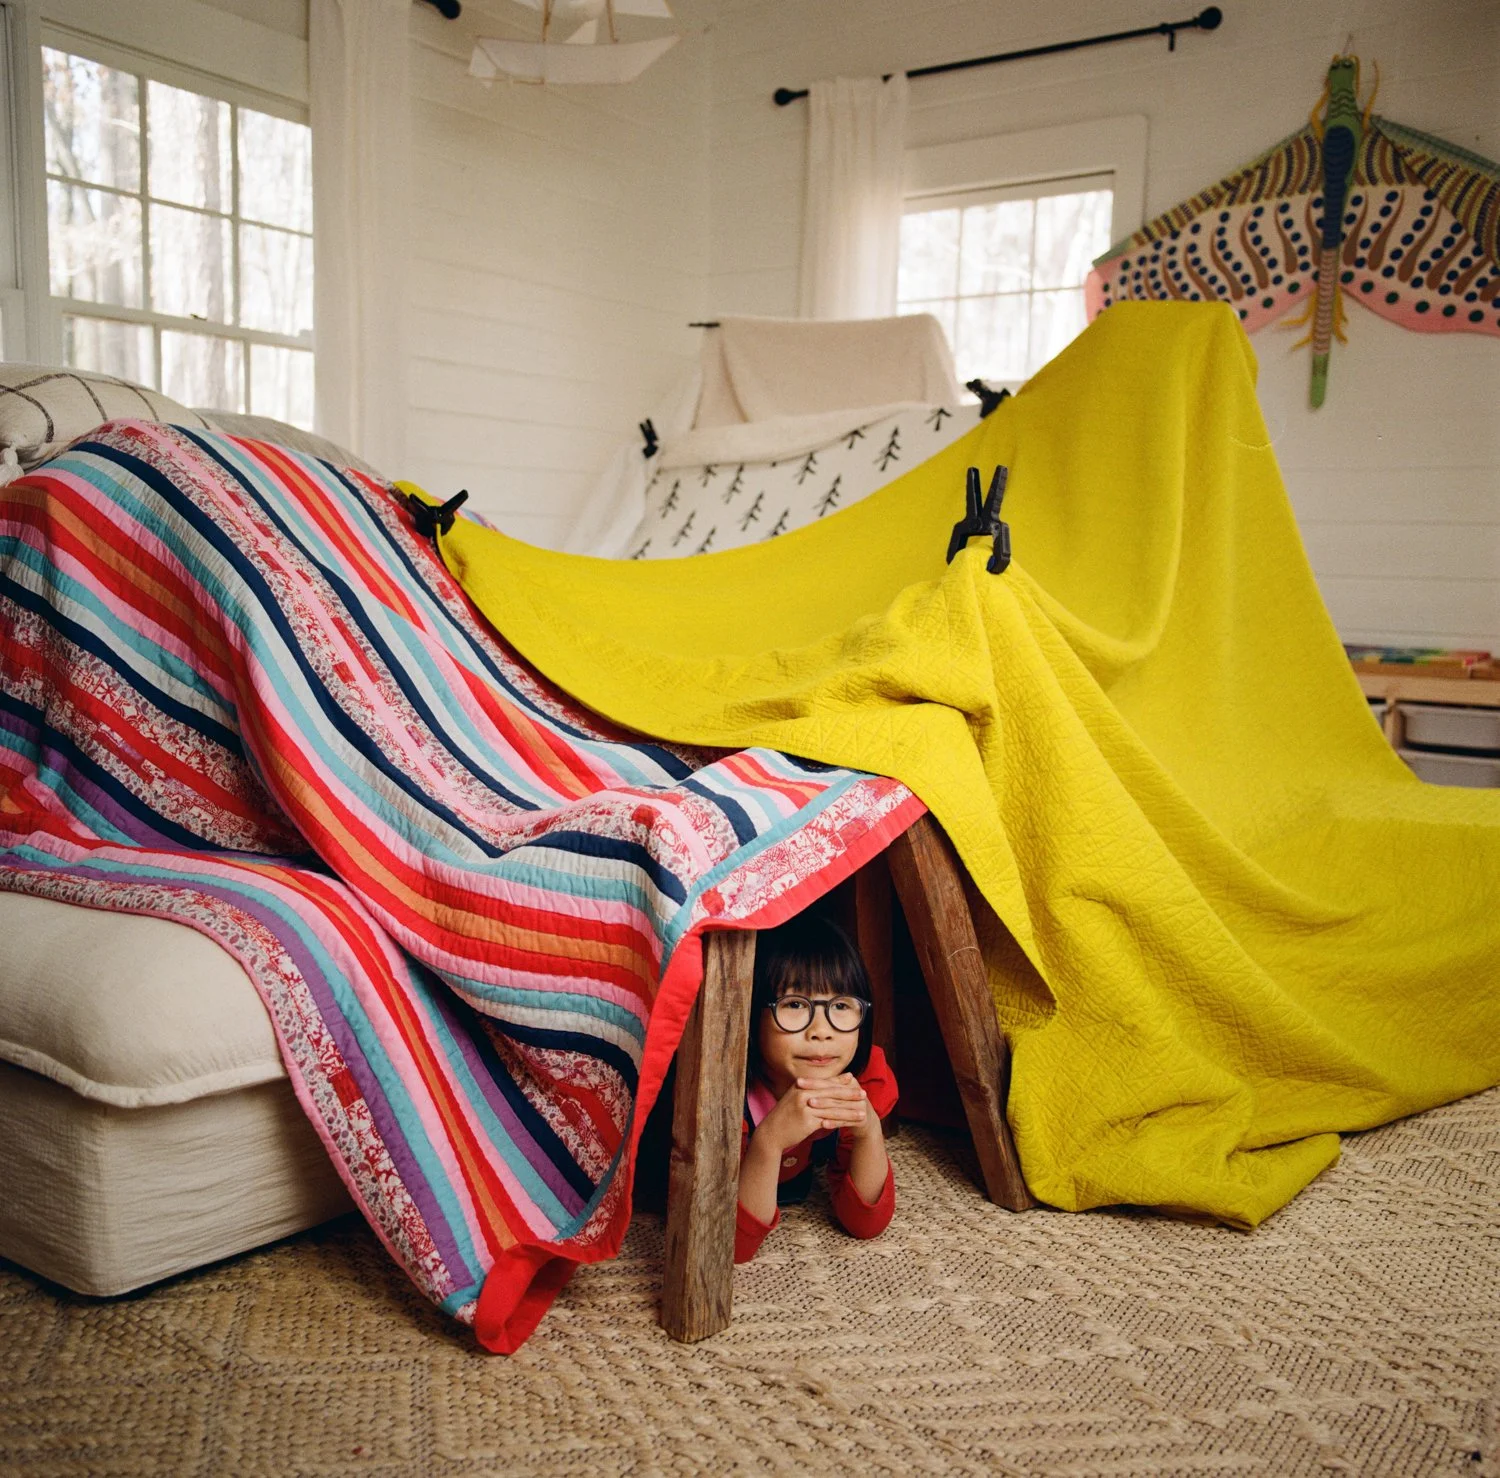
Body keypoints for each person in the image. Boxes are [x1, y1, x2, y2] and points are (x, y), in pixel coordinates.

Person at [735, 911, 897, 1263]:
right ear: (751, 1013)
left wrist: (869, 1131)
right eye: (795, 1004)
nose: (822, 1031)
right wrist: (769, 1142)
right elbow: (732, 1246)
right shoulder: (727, 1098)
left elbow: (866, 1223)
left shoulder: (862, 1078)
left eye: (841, 1005)